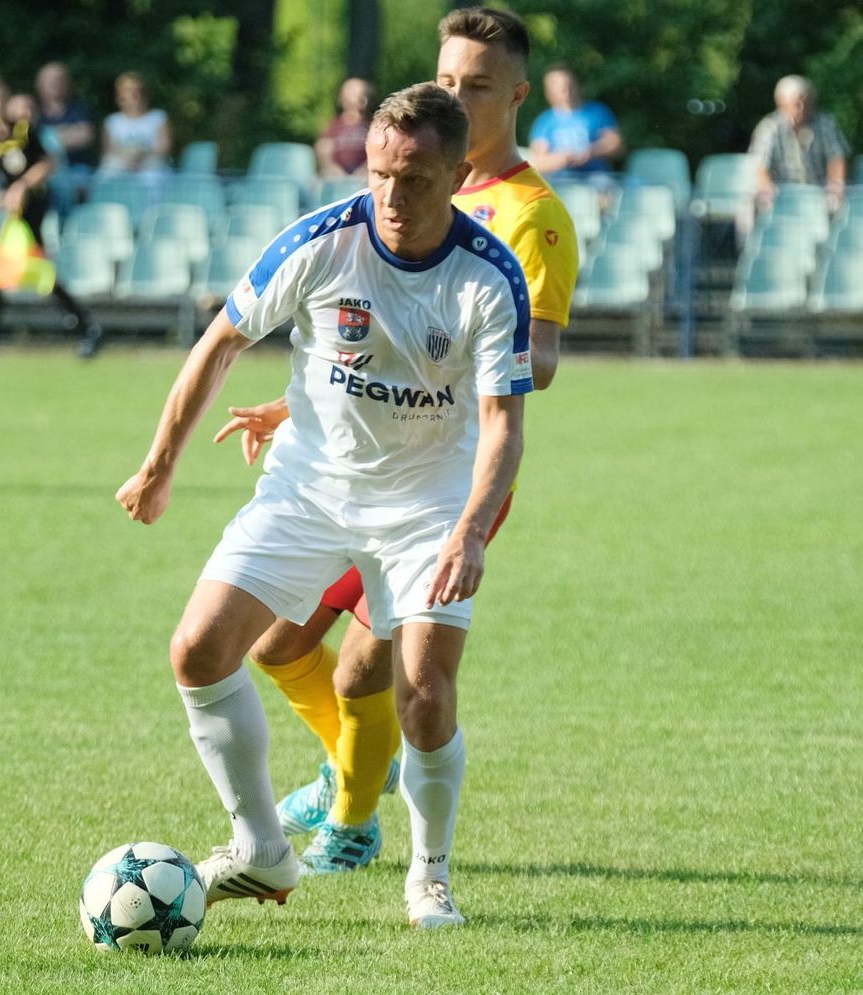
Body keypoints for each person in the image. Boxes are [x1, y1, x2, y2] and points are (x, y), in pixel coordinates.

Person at [117, 82, 531, 928]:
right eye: (379, 173)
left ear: (457, 176)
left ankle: (430, 876)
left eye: (414, 179)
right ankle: (262, 848)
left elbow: (502, 424)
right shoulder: (322, 241)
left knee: (424, 695)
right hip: (308, 488)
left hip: (427, 505)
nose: (391, 195)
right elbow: (221, 341)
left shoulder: (488, 276)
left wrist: (470, 530)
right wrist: (159, 465)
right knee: (199, 649)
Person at [213, 6, 578, 879]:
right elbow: (372, 339)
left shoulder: (532, 216)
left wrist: (472, 335)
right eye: (446, 79)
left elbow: (540, 360)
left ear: (516, 95)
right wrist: (298, 403)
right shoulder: (401, 180)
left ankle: (353, 818)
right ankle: (356, 766)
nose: (457, 94)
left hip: (444, 480)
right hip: (352, 465)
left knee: (361, 674)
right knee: (276, 645)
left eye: (478, 85)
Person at [0, 78, 102, 360]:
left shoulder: (23, 129)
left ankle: (85, 330)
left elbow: (47, 163)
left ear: (6, 101)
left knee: (18, 271)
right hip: (13, 214)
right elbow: (0, 168)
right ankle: (85, 330)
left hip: (32, 209)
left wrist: (21, 187)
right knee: (5, 272)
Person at [749, 75, 850, 213]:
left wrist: (835, 188)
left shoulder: (825, 124)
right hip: (780, 195)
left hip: (819, 193)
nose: (802, 107)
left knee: (839, 204)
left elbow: (836, 160)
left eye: (806, 102)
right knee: (756, 204)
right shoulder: (769, 128)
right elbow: (760, 167)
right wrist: (767, 191)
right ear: (782, 104)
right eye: (796, 103)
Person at [528, 64, 623, 182]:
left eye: (568, 84)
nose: (565, 89)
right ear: (548, 91)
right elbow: (538, 163)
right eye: (558, 86)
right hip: (561, 180)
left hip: (596, 177)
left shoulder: (598, 112)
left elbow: (616, 146)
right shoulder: (544, 121)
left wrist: (591, 152)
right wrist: (563, 159)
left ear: (577, 85)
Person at [36, 61, 97, 213]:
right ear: (40, 85)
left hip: (77, 170)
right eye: (51, 81)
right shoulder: (35, 113)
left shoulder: (79, 109)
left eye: (60, 80)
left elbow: (85, 136)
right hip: (44, 173)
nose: (55, 84)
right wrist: (67, 133)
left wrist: (47, 138)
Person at [98, 71, 170, 181]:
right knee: (107, 172)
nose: (135, 94)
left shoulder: (158, 117)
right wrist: (127, 158)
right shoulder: (112, 121)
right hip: (121, 163)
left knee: (153, 174)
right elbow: (108, 151)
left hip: (150, 163)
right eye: (129, 90)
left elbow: (164, 148)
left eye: (138, 90)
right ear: (120, 95)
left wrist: (142, 155)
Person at [315, 77, 375, 180]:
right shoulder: (332, 125)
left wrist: (367, 169)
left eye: (358, 93)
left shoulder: (374, 125)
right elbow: (323, 149)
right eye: (349, 92)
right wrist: (332, 168)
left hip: (366, 176)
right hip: (336, 177)